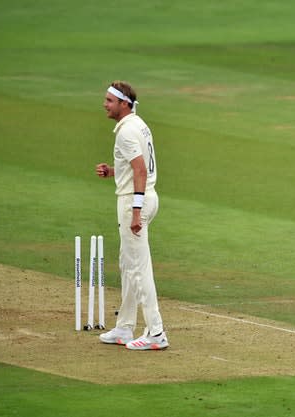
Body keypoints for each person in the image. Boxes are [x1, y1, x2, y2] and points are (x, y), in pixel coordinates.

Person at [95, 81, 169, 350]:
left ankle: (156, 333)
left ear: (123, 104)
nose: (105, 104)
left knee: (138, 269)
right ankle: (125, 327)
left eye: (109, 101)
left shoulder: (126, 132)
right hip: (146, 196)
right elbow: (136, 168)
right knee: (128, 265)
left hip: (134, 203)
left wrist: (136, 212)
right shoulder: (139, 124)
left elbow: (140, 170)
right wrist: (114, 172)